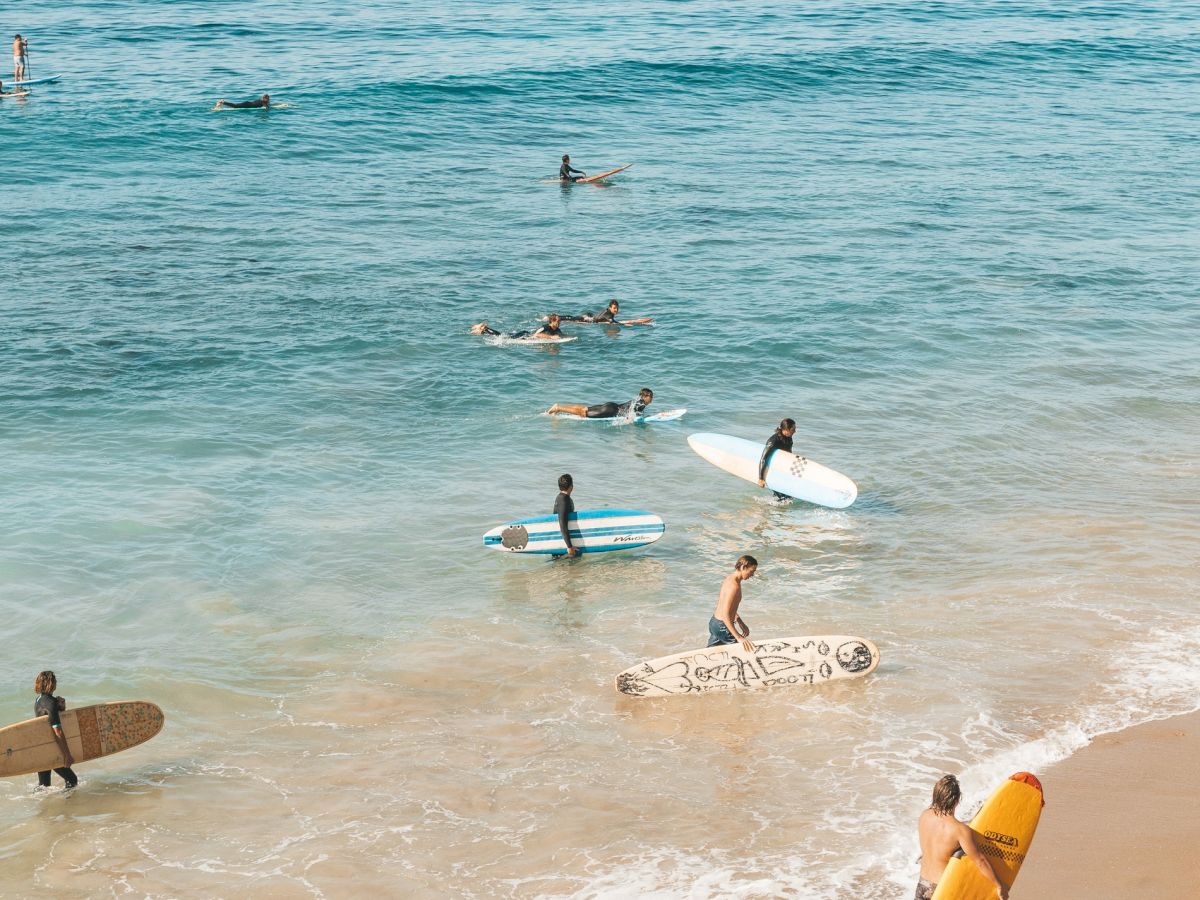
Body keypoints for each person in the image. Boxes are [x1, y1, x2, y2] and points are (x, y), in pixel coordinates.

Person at [915, 775, 1007, 900]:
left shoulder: (924, 816)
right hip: (942, 888)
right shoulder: (960, 830)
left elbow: (935, 841)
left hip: (922, 883)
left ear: (936, 795)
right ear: (957, 800)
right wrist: (999, 885)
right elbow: (980, 861)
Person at [33, 670, 78, 790]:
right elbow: (57, 730)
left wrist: (61, 707)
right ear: (51, 683)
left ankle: (42, 808)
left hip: (41, 748)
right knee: (72, 780)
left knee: (43, 787)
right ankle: (68, 806)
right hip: (51, 750)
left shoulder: (38, 700)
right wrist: (67, 755)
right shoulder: (51, 702)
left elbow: (47, 719)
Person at [708, 555, 757, 651]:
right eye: (751, 571)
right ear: (743, 567)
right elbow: (725, 614)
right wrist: (739, 637)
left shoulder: (730, 579)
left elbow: (729, 607)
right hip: (722, 626)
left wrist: (740, 622)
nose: (752, 575)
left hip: (714, 623)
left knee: (711, 653)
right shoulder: (734, 587)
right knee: (740, 650)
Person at [547, 387, 653, 421]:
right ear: (646, 396)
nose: (651, 399)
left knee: (584, 409)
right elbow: (633, 416)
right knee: (583, 413)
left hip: (611, 406)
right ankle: (558, 408)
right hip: (611, 411)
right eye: (651, 397)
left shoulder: (636, 400)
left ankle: (559, 407)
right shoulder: (642, 403)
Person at [757, 417, 797, 499]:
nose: (795, 431)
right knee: (784, 498)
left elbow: (788, 454)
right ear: (786, 429)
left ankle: (770, 507)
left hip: (781, 470)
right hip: (772, 471)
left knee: (786, 496)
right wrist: (761, 478)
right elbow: (763, 459)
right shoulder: (773, 441)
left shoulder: (789, 438)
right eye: (793, 429)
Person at [556, 299, 653, 327]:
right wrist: (627, 325)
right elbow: (614, 323)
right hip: (587, 319)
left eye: (617, 308)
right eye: (614, 308)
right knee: (570, 320)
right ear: (610, 308)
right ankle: (555, 318)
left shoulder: (608, 313)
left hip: (589, 316)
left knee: (570, 318)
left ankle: (557, 317)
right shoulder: (608, 315)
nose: (616, 310)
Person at [471, 313, 566, 341]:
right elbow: (537, 334)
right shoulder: (545, 327)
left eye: (560, 321)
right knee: (501, 336)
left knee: (505, 334)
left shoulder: (557, 329)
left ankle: (482, 330)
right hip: (523, 335)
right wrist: (551, 337)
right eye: (558, 321)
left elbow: (560, 335)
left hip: (525, 335)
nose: (559, 323)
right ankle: (485, 328)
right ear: (552, 321)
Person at [554, 473, 579, 557]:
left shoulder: (561, 498)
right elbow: (562, 523)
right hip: (564, 545)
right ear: (571, 486)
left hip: (562, 541)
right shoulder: (563, 500)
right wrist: (569, 547)